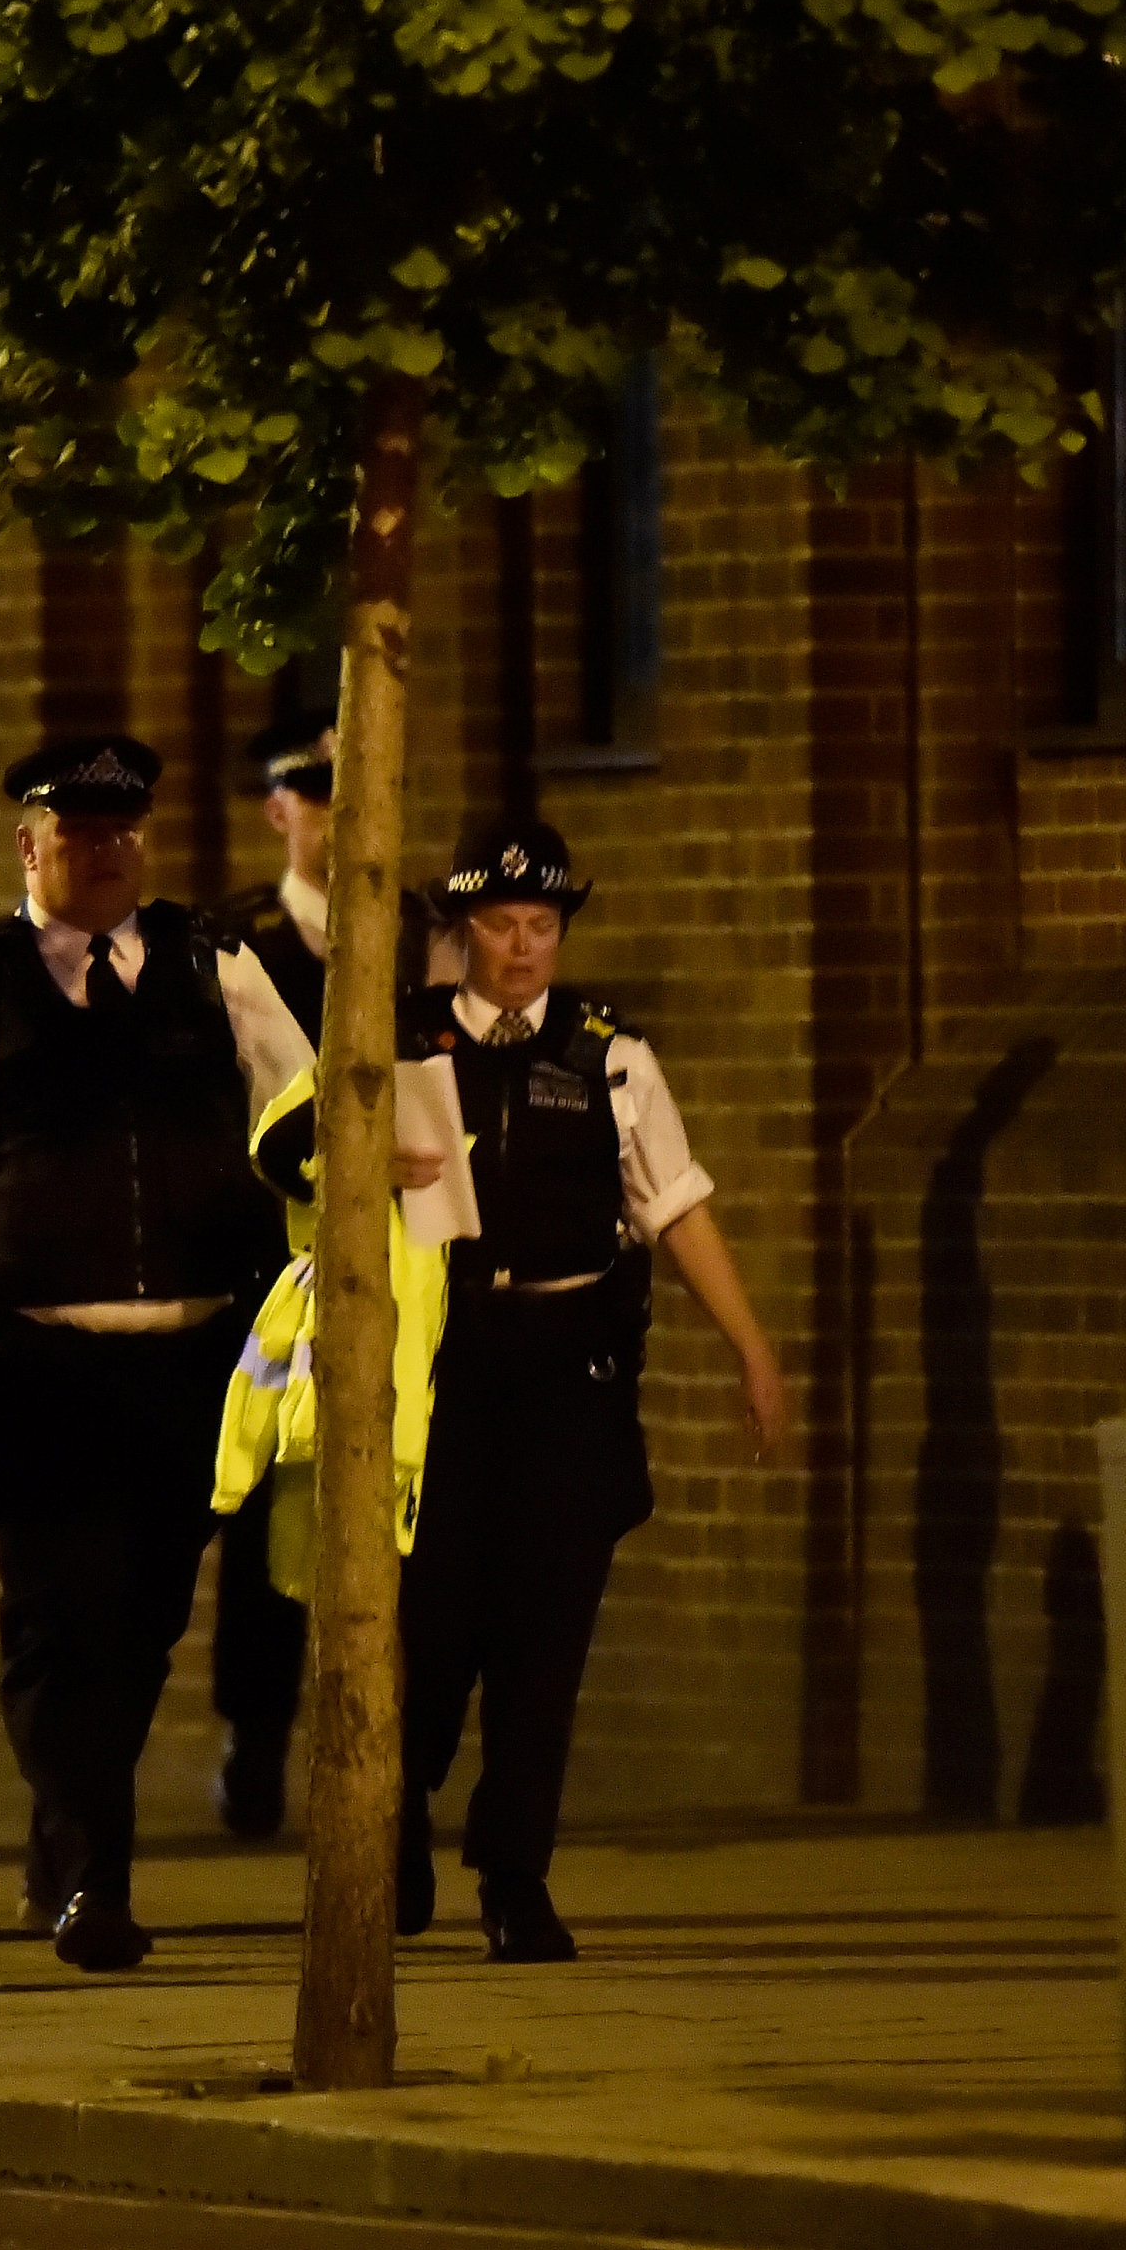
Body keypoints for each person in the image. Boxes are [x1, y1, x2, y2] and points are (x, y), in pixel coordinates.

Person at [268, 819, 787, 1963]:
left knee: (543, 1646)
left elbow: (676, 1207)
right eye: (500, 926)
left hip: (567, 1377)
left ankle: (513, 1877)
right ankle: (387, 1834)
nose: (520, 949)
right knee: (427, 1633)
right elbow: (282, 1142)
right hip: (439, 1375)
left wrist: (750, 1349)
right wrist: (348, 1152)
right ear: (459, 932)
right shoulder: (396, 1042)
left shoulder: (608, 1057)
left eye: (541, 927)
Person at [0, 737, 315, 1969]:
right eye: (74, 832)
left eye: (121, 830)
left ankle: (64, 1848)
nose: (101, 852)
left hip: (196, 1356)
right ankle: (97, 1883)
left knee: (141, 1620)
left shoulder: (216, 963)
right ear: (27, 846)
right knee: (60, 1613)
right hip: (34, 1361)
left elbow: (298, 1107)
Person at [195, 707, 460, 1838]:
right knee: (272, 1510)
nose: (341, 815)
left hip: (407, 1252)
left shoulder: (425, 929)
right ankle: (254, 1737)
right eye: (317, 794)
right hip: (277, 1254)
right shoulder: (236, 939)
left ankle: (376, 1748)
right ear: (278, 811)